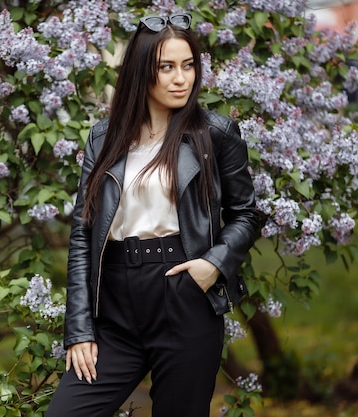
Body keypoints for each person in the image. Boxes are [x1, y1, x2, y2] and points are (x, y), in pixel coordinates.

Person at [44, 12, 261, 417]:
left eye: (188, 65)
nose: (181, 78)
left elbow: (246, 214)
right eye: (166, 67)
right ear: (142, 72)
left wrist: (213, 265)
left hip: (184, 295)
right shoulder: (103, 137)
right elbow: (82, 233)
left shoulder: (215, 134)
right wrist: (79, 329)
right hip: (115, 306)